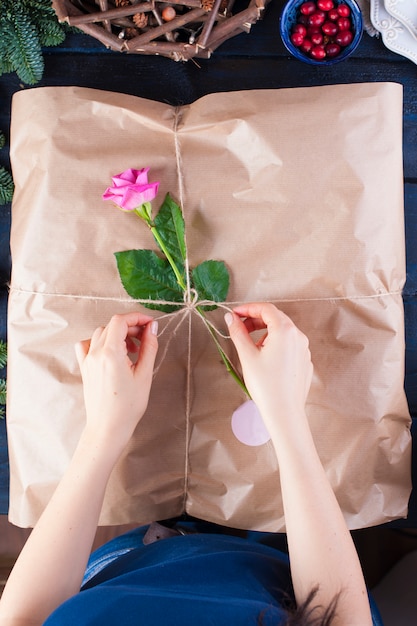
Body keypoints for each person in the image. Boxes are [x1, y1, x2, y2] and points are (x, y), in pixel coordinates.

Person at [0, 303, 380, 626]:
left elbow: (25, 618)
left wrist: (103, 431)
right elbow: (340, 616)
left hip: (143, 554)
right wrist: (286, 413)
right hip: (292, 566)